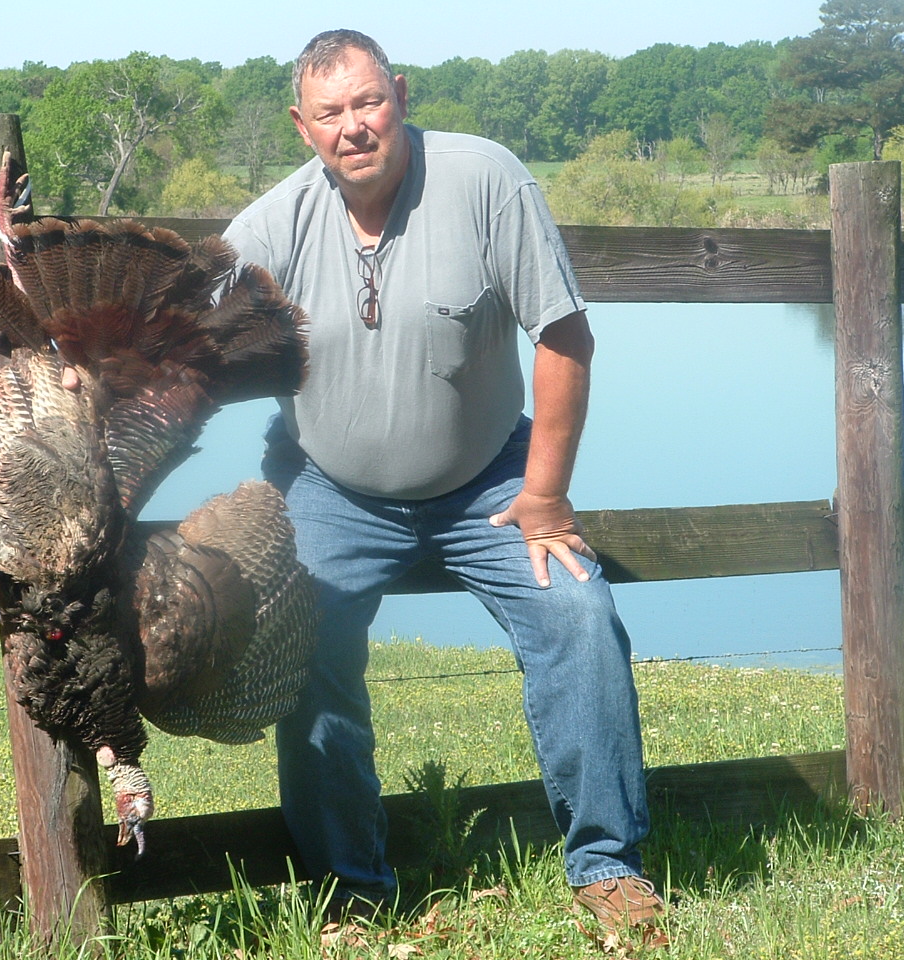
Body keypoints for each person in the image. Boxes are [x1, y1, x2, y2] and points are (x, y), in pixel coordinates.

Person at [221, 28, 666, 942]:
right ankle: (349, 886)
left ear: (402, 95)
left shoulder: (485, 180)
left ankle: (609, 867)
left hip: (490, 481)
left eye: (368, 102)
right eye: (331, 113)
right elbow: (174, 343)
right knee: (304, 643)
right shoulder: (269, 227)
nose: (353, 127)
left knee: (580, 616)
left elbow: (564, 337)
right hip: (328, 486)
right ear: (301, 126)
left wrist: (546, 494)